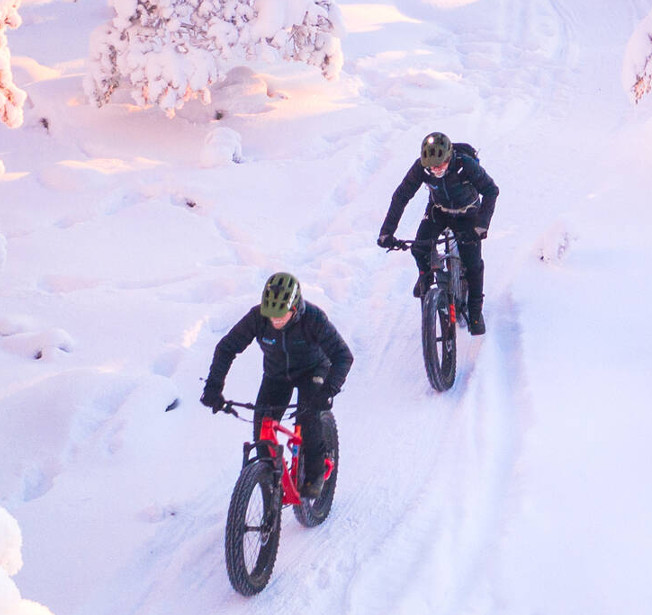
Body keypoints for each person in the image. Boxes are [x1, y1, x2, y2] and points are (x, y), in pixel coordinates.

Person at [203, 272, 351, 495]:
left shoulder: (314, 318)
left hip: (313, 371)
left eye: (281, 316)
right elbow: (226, 348)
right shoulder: (257, 317)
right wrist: (213, 388)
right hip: (277, 375)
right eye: (271, 316)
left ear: (295, 308)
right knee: (262, 429)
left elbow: (343, 356)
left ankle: (316, 473)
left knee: (308, 418)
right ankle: (269, 483)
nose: (275, 321)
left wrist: (328, 391)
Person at [377, 131, 498, 336]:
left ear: (450, 157)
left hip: (467, 213)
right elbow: (401, 196)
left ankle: (475, 311)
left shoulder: (465, 165)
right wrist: (387, 232)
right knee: (419, 248)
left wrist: (481, 226)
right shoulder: (421, 168)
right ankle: (425, 276)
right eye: (432, 167)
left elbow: (491, 190)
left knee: (473, 264)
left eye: (440, 165)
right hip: (439, 211)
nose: (436, 170)